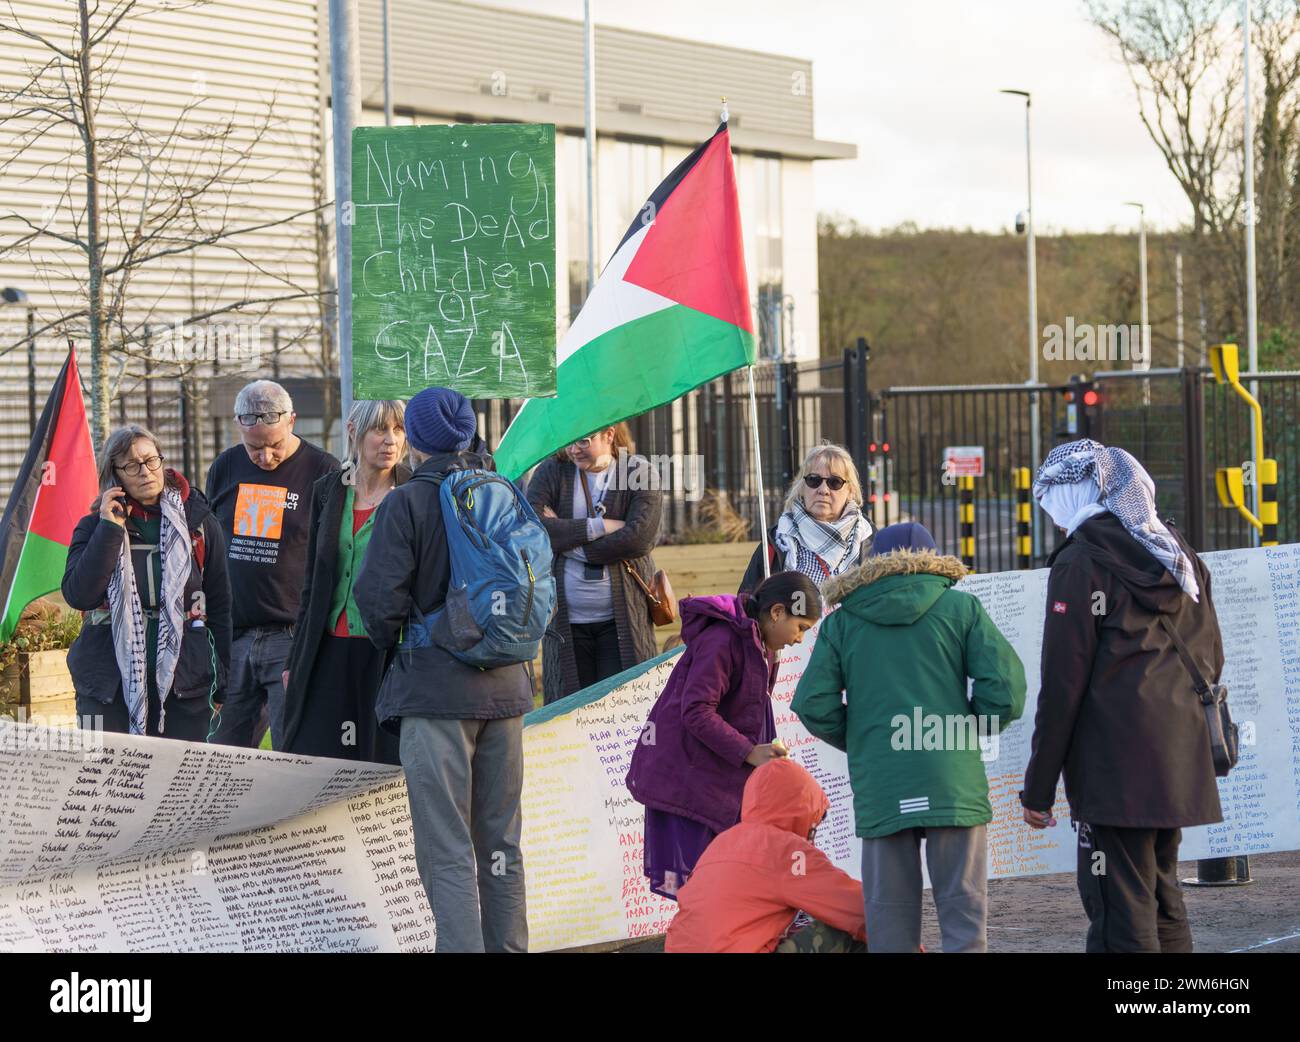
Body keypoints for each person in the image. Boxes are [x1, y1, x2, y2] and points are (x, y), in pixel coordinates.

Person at [1020, 439, 1225, 954]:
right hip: (1180, 758)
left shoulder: (1080, 563)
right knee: (1163, 898)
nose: (1054, 517)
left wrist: (1039, 790)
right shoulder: (1178, 553)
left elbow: (1063, 686)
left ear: (1075, 496)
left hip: (1115, 772)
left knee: (1118, 907)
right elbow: (1212, 656)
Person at [792, 521, 1025, 953]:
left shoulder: (842, 623)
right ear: (934, 560)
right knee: (963, 914)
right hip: (950, 775)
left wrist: (865, 738)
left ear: (873, 563)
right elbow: (1005, 693)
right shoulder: (961, 609)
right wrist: (969, 730)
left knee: (889, 917)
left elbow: (812, 704)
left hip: (884, 779)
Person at [354, 386, 531, 953]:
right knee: (502, 844)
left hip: (434, 695)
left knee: (446, 847)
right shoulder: (503, 491)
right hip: (506, 690)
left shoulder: (406, 502)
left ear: (418, 440)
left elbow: (377, 602)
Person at [625, 571, 822, 899]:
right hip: (686, 780)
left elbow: (751, 711)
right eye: (800, 627)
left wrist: (765, 748)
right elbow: (697, 711)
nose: (800, 638)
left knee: (725, 885)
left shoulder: (763, 645)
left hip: (716, 778)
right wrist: (748, 752)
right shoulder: (722, 640)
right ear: (776, 613)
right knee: (699, 890)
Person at [62, 425, 231, 741]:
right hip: (107, 684)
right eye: (131, 465)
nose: (145, 471)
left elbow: (220, 605)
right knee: (107, 778)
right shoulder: (92, 527)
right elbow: (79, 594)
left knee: (178, 780)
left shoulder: (199, 523)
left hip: (186, 681)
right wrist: (110, 529)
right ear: (115, 476)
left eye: (151, 460)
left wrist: (222, 682)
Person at [204, 380, 339, 749]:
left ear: (292, 420)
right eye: (254, 447)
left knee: (291, 753)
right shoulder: (225, 467)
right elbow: (211, 545)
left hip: (291, 636)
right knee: (220, 754)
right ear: (238, 426)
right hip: (235, 636)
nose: (265, 457)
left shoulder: (324, 470)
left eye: (275, 445)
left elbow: (335, 559)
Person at [280, 400, 408, 763]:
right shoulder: (328, 491)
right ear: (353, 432)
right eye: (379, 430)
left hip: (386, 652)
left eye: (398, 430)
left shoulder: (414, 492)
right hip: (327, 648)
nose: (390, 441)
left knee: (380, 760)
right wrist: (295, 658)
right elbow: (312, 583)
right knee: (315, 755)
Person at [665, 758, 867, 953]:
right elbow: (858, 907)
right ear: (804, 810)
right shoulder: (786, 849)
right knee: (852, 923)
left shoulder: (723, 842)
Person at [527, 422, 663, 704]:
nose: (574, 449)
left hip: (622, 621)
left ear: (609, 435)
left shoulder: (637, 472)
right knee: (570, 717)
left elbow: (639, 538)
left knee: (623, 712)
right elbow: (533, 527)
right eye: (570, 441)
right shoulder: (553, 471)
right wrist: (599, 527)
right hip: (565, 625)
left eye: (584, 441)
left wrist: (569, 544)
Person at [739, 442, 873, 595]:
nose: (823, 490)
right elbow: (746, 604)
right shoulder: (778, 540)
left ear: (850, 491)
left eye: (834, 482)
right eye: (814, 480)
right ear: (802, 487)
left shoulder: (869, 539)